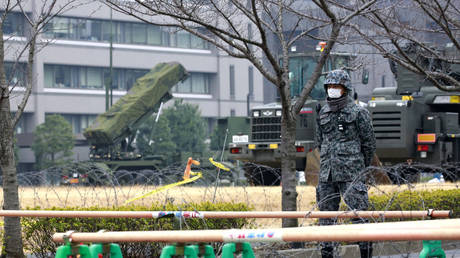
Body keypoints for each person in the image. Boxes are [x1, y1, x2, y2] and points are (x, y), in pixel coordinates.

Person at [315, 69, 376, 258]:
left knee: (359, 217)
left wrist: (358, 166)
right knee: (326, 218)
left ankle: (365, 254)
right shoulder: (322, 112)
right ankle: (327, 254)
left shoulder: (359, 112)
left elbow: (369, 144)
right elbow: (319, 140)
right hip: (327, 173)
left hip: (352, 172)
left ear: (345, 89)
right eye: (330, 86)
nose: (333, 90)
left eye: (337, 86)